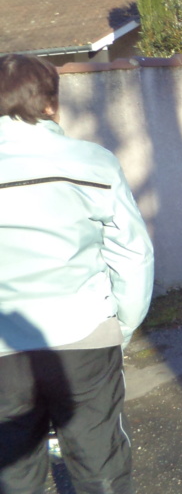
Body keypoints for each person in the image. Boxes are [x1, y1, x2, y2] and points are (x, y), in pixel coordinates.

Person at [0, 53, 155, 494]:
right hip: (85, 332)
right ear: (50, 104)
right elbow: (132, 253)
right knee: (99, 460)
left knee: (12, 470)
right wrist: (120, 325)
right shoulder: (92, 162)